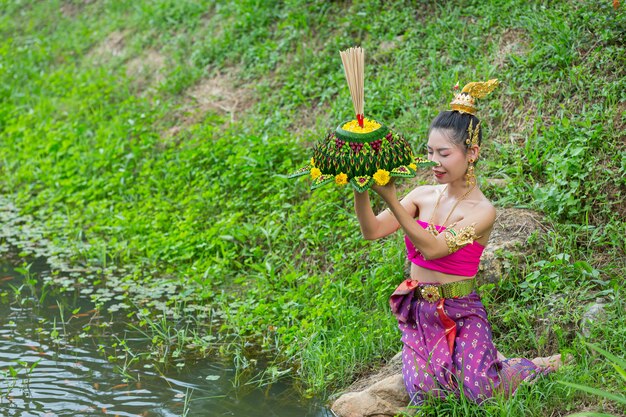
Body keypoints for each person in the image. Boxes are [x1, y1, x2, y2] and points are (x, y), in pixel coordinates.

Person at [352, 79, 562, 405]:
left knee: (481, 392)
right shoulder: (421, 195)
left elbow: (434, 249)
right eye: (429, 152)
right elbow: (372, 230)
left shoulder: (482, 212)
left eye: (444, 153)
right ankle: (462, 362)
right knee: (427, 394)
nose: (434, 161)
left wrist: (392, 199)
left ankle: (526, 367)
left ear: (472, 153)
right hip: (420, 310)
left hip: (461, 310)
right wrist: (360, 184)